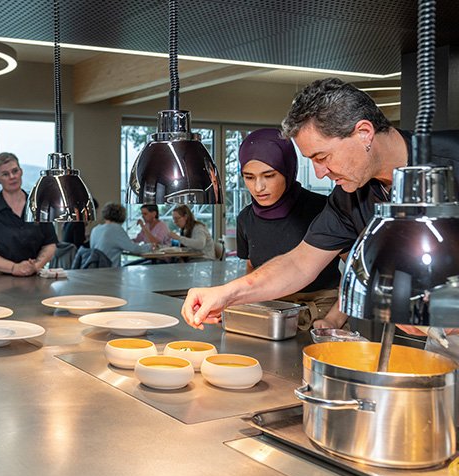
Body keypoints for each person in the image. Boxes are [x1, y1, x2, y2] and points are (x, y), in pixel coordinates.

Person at [181, 77, 459, 330]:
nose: (319, 173)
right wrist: (227, 293)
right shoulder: (350, 195)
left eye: (322, 157)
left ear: (364, 133)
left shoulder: (452, 163)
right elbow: (300, 264)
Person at [236, 128, 343, 329]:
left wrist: (334, 319)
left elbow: (354, 272)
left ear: (288, 169)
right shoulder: (245, 219)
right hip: (271, 314)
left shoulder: (323, 209)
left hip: (324, 315)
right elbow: (251, 270)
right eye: (249, 177)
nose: (258, 187)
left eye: (269, 175)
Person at [0, 152, 57, 276]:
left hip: (32, 275)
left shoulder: (39, 207)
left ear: (21, 171)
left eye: (15, 171)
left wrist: (36, 266)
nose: (12, 176)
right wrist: (14, 268)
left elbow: (50, 244)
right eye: (5, 174)